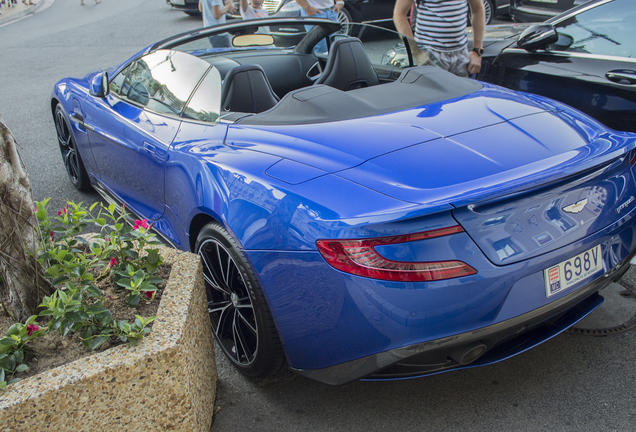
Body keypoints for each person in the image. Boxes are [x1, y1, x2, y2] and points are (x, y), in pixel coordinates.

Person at [393, 0, 484, 78]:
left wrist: (477, 50)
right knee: (433, 97)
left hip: (460, 55)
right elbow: (399, 14)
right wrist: (417, 54)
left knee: (462, 97)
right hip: (430, 55)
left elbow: (478, 9)